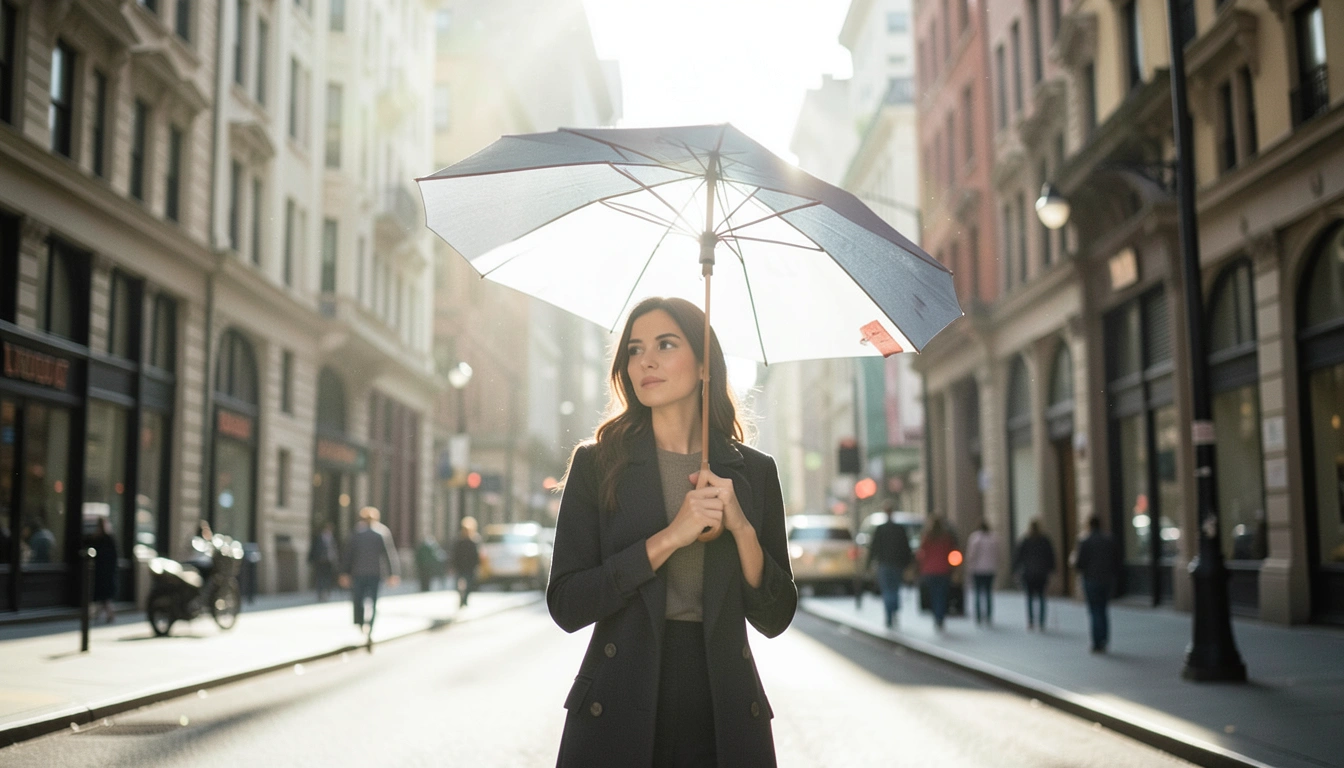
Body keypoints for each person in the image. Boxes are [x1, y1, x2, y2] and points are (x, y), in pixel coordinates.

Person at [547, 297, 797, 768]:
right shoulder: (597, 464)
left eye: (666, 344)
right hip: (619, 700)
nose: (646, 360)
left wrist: (741, 528)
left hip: (722, 707)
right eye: (635, 349)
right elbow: (567, 603)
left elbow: (776, 616)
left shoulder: (753, 472)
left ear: (705, 365)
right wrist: (670, 538)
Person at [338, 507, 400, 638]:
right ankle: (370, 626)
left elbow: (348, 555)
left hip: (358, 573)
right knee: (373, 601)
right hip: (375, 574)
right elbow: (390, 555)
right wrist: (393, 573)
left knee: (358, 600)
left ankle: (361, 623)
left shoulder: (356, 533)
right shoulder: (381, 533)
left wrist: (344, 572)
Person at [1073, 515, 1118, 653]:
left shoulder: (1084, 541)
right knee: (1103, 610)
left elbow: (1079, 563)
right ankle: (1104, 639)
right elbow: (1116, 560)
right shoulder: (1109, 540)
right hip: (1106, 579)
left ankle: (1097, 642)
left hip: (1091, 579)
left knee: (1094, 611)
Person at [866, 503, 913, 628]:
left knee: (888, 590)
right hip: (895, 564)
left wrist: (869, 564)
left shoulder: (881, 529)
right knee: (894, 589)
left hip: (886, 564)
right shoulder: (898, 529)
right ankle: (893, 612)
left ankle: (889, 615)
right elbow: (906, 548)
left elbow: (873, 548)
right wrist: (908, 563)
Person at [1014, 519, 1057, 631]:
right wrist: (1052, 570)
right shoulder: (1044, 540)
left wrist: (1016, 570)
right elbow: (1050, 556)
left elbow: (1019, 556)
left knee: (1029, 598)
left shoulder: (1026, 540)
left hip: (1029, 573)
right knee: (1042, 597)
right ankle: (1041, 622)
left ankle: (1031, 621)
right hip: (1041, 573)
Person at [916, 516, 956, 630]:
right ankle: (940, 617)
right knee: (941, 595)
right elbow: (951, 553)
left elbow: (921, 553)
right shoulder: (946, 537)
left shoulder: (927, 537)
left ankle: (936, 617)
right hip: (943, 570)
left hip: (929, 571)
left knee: (934, 595)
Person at [964, 520, 1000, 625]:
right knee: (988, 593)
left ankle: (979, 616)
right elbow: (997, 554)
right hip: (990, 569)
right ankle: (988, 615)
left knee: (978, 593)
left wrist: (969, 566)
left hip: (978, 569)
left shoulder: (975, 538)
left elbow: (971, 554)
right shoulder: (994, 538)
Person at [88, 517, 118, 624]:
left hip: (104, 572)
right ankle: (99, 615)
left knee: (104, 597)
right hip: (102, 571)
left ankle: (105, 615)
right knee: (103, 597)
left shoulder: (106, 539)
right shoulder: (102, 538)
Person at [452, 517, 481, 607]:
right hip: (460, 566)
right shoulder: (459, 541)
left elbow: (477, 555)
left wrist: (477, 566)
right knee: (458, 585)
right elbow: (454, 554)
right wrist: (453, 565)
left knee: (469, 585)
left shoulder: (474, 541)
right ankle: (461, 599)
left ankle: (465, 600)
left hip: (470, 567)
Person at [308, 522, 339, 601]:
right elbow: (313, 549)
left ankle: (327, 592)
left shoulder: (332, 538)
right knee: (320, 578)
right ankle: (320, 593)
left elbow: (334, 550)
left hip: (329, 561)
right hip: (320, 561)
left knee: (328, 577)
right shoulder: (318, 538)